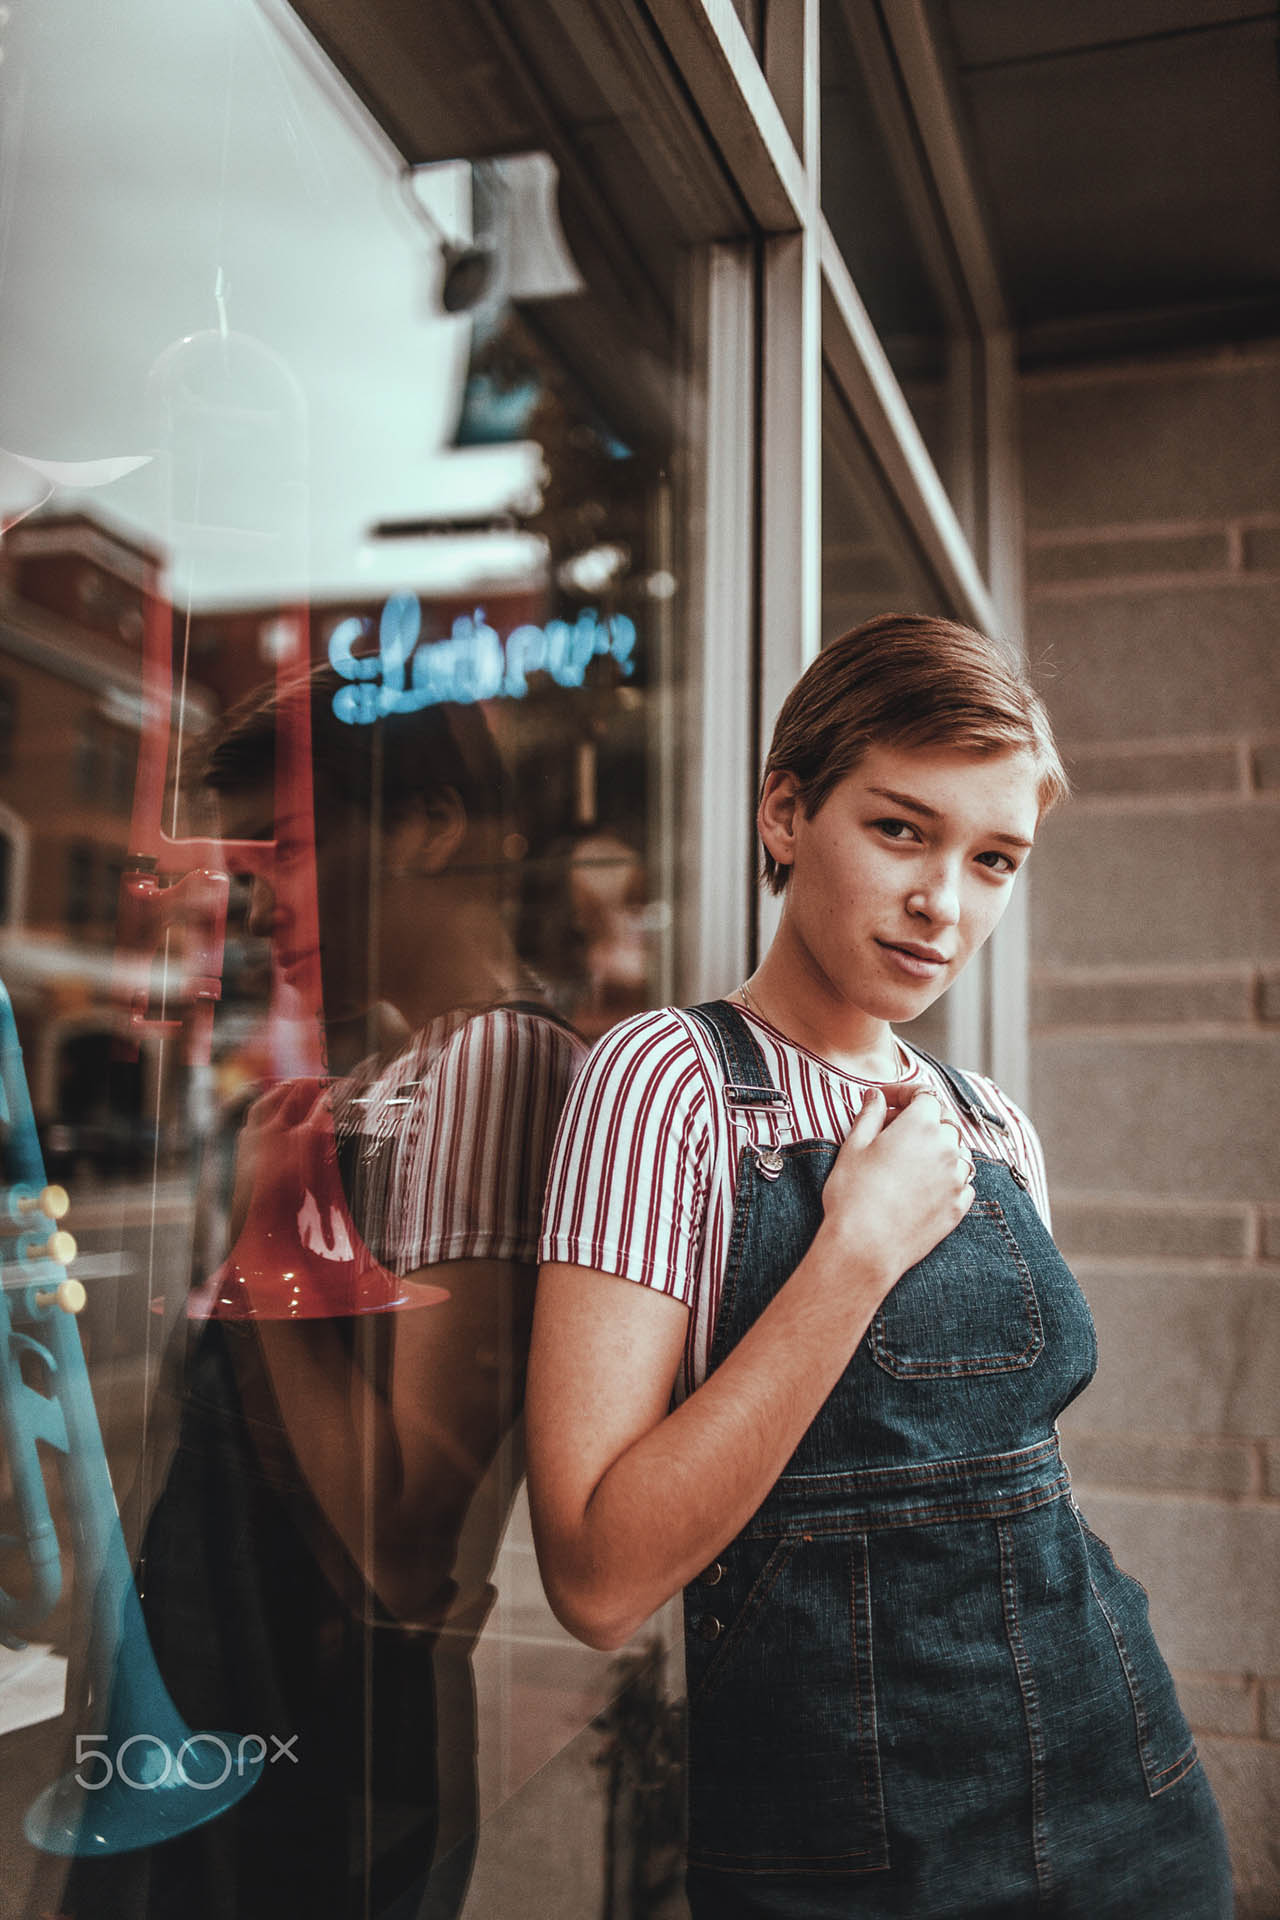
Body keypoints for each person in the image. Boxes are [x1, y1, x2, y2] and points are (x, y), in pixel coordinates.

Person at [526, 614, 1234, 1919]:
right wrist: (852, 1251)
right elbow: (596, 1578)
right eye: (901, 830)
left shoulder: (991, 1125)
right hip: (851, 1852)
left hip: (1120, 1786)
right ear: (786, 811)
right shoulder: (667, 1084)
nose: (943, 904)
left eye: (995, 858)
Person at [56, 670, 583, 1920]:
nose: (251, 900)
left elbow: (403, 1552)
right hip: (246, 1711)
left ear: (422, 827)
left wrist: (269, 1244)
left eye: (285, 849)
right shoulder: (402, 1072)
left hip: (313, 1746)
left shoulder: (492, 1063)